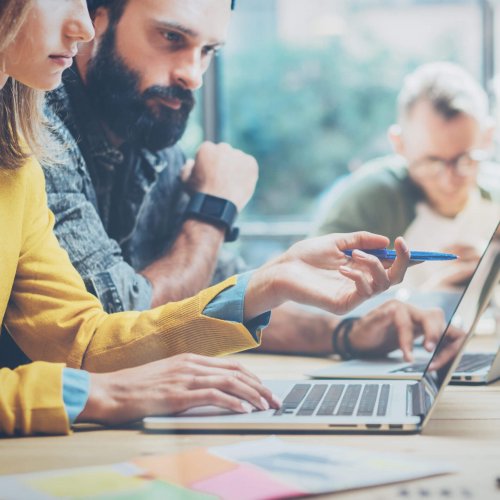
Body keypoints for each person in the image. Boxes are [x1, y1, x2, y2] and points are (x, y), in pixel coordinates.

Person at [0, 0, 410, 436]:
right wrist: (98, 394)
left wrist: (271, 283)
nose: (81, 27)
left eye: (209, 50)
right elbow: (106, 337)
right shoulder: (43, 137)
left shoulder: (17, 157)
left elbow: (85, 341)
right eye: (171, 37)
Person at [313, 62, 500, 290]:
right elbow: (306, 291)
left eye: (465, 160)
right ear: (399, 144)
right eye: (432, 162)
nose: (449, 180)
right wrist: (430, 298)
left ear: (487, 138)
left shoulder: (494, 198)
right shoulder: (372, 199)